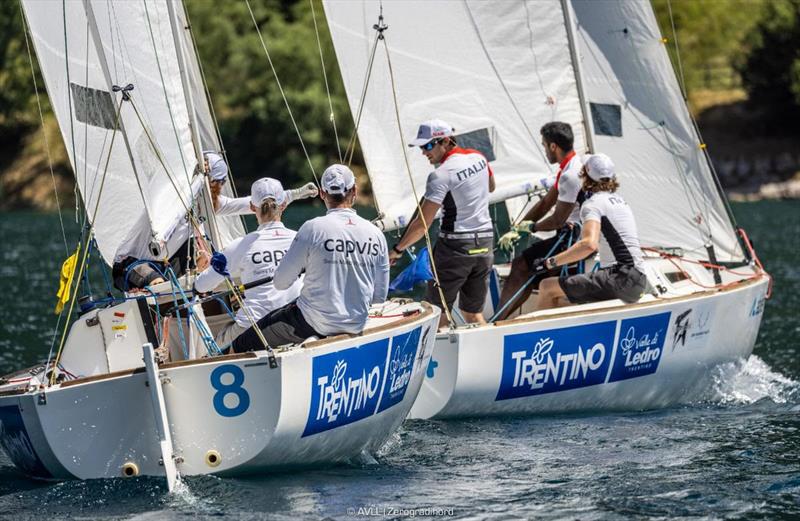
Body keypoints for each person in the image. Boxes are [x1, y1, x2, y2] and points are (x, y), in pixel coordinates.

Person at [231, 164, 389, 351]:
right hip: (355, 324)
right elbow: (379, 297)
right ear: (354, 190)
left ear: (322, 194)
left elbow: (281, 283)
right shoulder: (376, 234)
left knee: (241, 343)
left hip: (311, 323)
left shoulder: (312, 228)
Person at [111, 152, 317, 292]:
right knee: (159, 284)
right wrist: (196, 175)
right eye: (219, 183)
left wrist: (293, 194)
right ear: (209, 182)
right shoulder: (170, 199)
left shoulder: (207, 204)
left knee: (205, 254)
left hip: (164, 264)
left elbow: (255, 203)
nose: (221, 188)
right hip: (130, 264)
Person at [388, 119, 496, 329]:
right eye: (421, 147)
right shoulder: (479, 157)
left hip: (456, 249)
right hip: (485, 242)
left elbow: (422, 225)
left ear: (446, 141)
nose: (424, 152)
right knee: (473, 313)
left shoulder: (440, 175)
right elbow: (491, 187)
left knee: (436, 312)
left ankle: (438, 359)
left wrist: (398, 250)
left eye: (428, 146)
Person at [193, 177, 303, 347]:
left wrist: (201, 271)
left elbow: (201, 286)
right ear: (283, 205)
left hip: (252, 330)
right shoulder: (302, 239)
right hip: (294, 326)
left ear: (252, 207)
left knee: (213, 349)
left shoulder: (239, 246)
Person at [534, 153, 647, 311]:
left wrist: (548, 263)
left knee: (546, 287)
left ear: (584, 176)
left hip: (619, 278)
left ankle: (542, 336)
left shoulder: (592, 204)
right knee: (568, 300)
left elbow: (588, 245)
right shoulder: (621, 201)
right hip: (638, 280)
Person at [494, 121, 584, 320]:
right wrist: (518, 229)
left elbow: (558, 220)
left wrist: (532, 227)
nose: (544, 150)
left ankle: (497, 321)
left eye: (544, 145)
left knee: (520, 265)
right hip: (570, 235)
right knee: (531, 267)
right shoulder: (570, 166)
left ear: (553, 146)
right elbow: (545, 203)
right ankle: (504, 320)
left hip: (574, 238)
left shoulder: (571, 175)